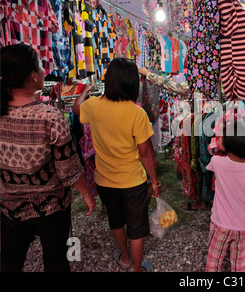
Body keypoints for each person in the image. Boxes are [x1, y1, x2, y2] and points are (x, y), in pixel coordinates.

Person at [0, 44, 96, 272]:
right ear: (33, 75)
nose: (46, 71)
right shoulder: (49, 116)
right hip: (51, 207)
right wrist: (86, 194)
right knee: (56, 261)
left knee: (9, 261)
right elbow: (68, 168)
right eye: (42, 66)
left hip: (8, 205)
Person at [73, 58, 161, 272]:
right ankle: (137, 269)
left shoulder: (93, 106)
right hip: (133, 181)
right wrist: (155, 181)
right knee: (137, 227)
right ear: (132, 83)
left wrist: (85, 91)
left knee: (116, 221)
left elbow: (76, 109)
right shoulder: (136, 112)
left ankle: (124, 257)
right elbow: (144, 153)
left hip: (104, 179)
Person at [205, 121, 245, 272]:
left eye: (222, 136)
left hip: (220, 224)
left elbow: (211, 152)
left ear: (229, 144)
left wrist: (219, 147)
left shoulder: (217, 162)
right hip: (243, 226)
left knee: (214, 261)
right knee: (239, 264)